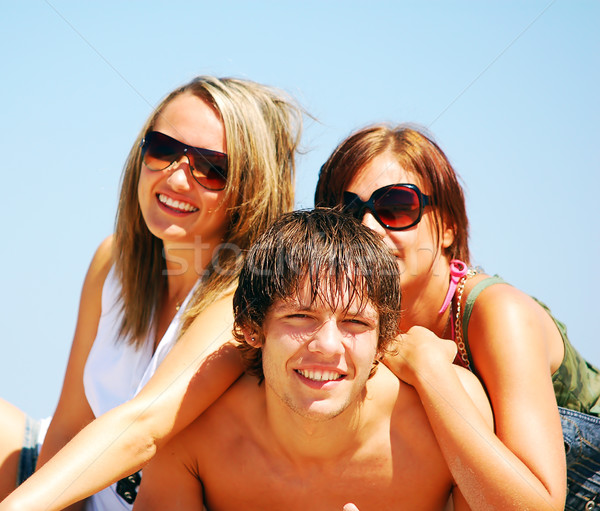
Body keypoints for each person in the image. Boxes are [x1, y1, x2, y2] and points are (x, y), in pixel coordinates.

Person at [0, 75, 302, 511]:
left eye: (211, 167)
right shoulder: (112, 261)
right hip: (64, 490)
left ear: (251, 188)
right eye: (163, 149)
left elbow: (145, 426)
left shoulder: (246, 297)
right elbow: (69, 423)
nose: (178, 178)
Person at [314, 123, 600, 511]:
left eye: (395, 207)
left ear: (447, 227)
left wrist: (430, 371)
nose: (368, 228)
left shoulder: (498, 314)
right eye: (346, 213)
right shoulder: (343, 327)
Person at [134, 208, 494, 511]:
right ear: (251, 327)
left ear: (383, 342)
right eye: (300, 317)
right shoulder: (192, 434)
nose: (327, 345)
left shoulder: (444, 421)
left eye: (355, 323)